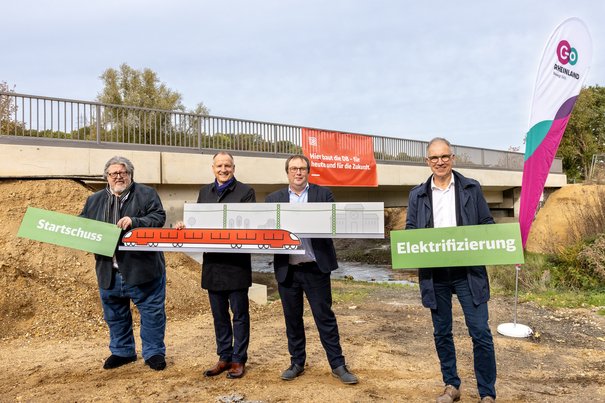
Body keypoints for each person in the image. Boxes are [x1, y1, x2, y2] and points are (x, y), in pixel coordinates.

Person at [405, 138, 497, 403]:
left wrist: (499, 244)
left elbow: (487, 223)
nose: (440, 162)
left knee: (480, 331)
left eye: (444, 156)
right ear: (427, 161)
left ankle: (487, 393)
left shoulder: (471, 188)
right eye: (434, 158)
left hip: (468, 273)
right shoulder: (417, 195)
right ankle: (451, 385)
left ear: (452, 158)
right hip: (436, 276)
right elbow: (411, 231)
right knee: (442, 332)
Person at [265, 154, 358, 385]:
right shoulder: (273, 199)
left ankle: (338, 364)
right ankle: (297, 362)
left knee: (325, 318)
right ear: (287, 172)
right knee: (292, 319)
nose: (298, 172)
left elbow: (331, 226)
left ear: (308, 172)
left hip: (316, 269)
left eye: (302, 169)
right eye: (294, 169)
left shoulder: (322, 195)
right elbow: (267, 231)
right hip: (288, 270)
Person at [80, 156, 167, 371]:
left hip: (142, 270)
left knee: (152, 315)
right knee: (115, 315)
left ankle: (154, 352)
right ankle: (122, 351)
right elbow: (82, 223)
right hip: (108, 271)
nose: (118, 177)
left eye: (123, 173)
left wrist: (135, 222)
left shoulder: (146, 194)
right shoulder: (94, 200)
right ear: (106, 177)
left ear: (130, 175)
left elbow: (158, 218)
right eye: (113, 173)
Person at [177, 151, 255, 379]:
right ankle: (224, 357)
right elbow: (198, 225)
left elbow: (250, 225)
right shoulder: (204, 192)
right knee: (219, 315)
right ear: (213, 168)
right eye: (219, 165)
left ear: (233, 168)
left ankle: (239, 360)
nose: (223, 169)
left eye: (227, 166)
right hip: (213, 263)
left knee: (239, 315)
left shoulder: (246, 192)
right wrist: (186, 226)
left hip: (237, 263)